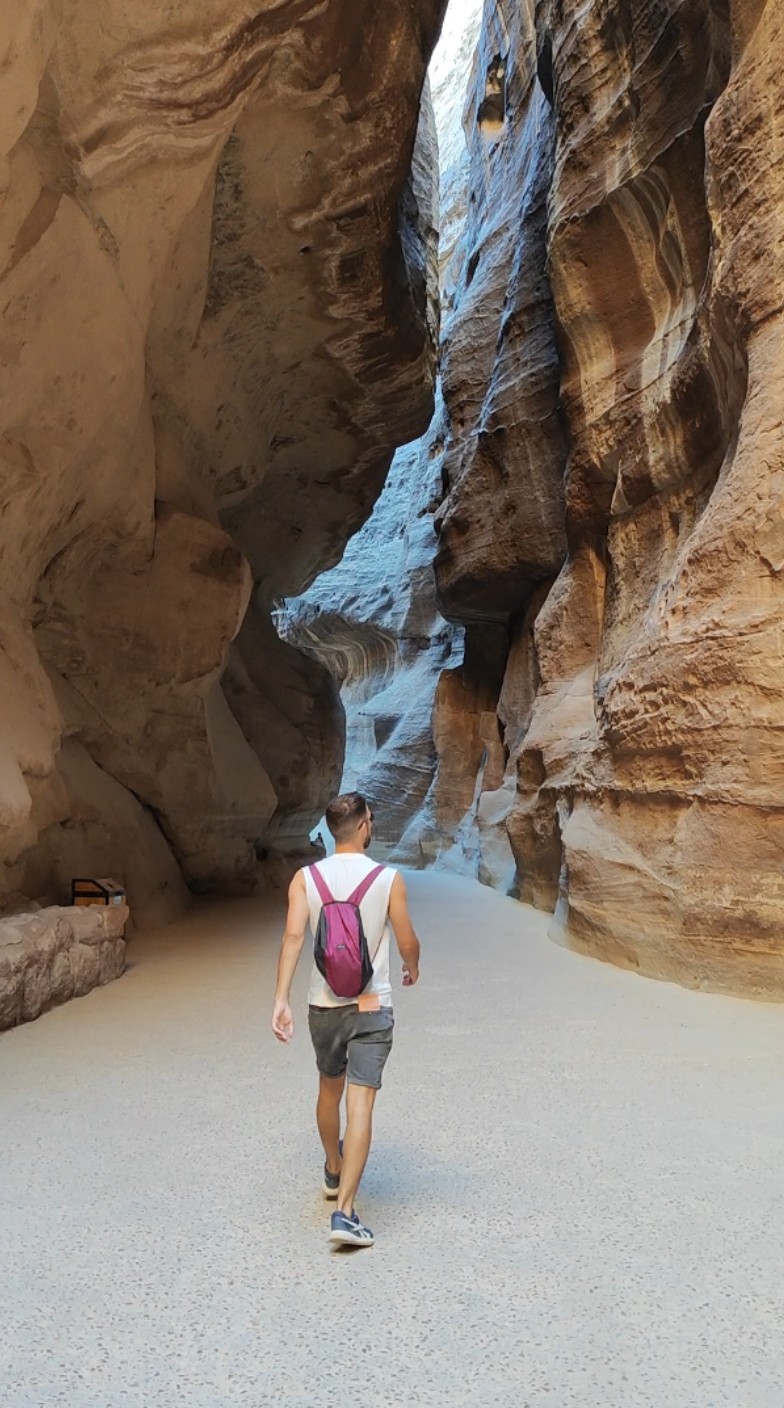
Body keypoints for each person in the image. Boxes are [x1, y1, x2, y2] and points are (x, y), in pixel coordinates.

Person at [271, 790, 421, 1248]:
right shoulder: (388, 878)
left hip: (324, 1005)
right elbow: (406, 938)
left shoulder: (306, 878)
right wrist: (413, 965)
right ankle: (346, 1213)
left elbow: (294, 936)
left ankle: (333, 1170)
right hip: (372, 1005)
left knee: (327, 1089)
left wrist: (281, 998)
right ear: (363, 825)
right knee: (361, 1105)